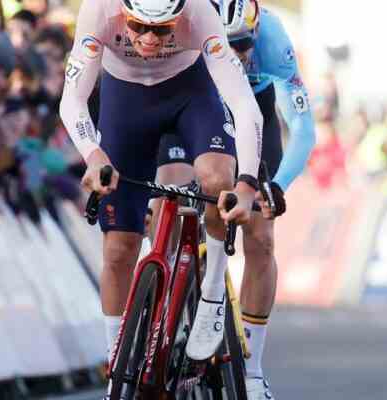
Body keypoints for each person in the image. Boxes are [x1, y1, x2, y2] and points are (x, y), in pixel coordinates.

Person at [58, 0, 264, 395]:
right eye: (138, 27)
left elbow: (242, 104)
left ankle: (213, 296)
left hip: (190, 92)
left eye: (164, 29)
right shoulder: (98, 9)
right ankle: (115, 365)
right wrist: (93, 154)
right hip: (125, 101)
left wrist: (248, 185)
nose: (150, 39)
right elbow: (72, 99)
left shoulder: (200, 11)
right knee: (119, 249)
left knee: (216, 178)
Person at [151, 0, 315, 397]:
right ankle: (151, 320)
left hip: (250, 111)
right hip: (192, 101)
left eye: (242, 44)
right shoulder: (180, 25)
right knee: (164, 201)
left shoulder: (274, 39)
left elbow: (303, 127)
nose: (236, 56)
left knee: (261, 236)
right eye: (226, 44)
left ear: (256, 32)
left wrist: (277, 184)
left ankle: (254, 371)